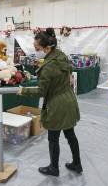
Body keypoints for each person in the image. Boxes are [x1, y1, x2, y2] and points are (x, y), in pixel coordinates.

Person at [18, 28, 82, 177]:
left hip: (57, 104)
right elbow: (61, 69)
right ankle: (77, 164)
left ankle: (54, 168)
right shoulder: (61, 55)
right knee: (70, 134)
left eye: (37, 49)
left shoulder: (47, 68)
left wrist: (23, 91)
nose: (36, 51)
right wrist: (43, 61)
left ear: (47, 48)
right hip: (69, 100)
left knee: (53, 138)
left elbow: (41, 91)